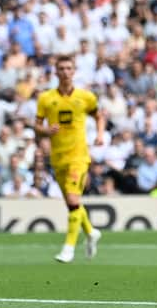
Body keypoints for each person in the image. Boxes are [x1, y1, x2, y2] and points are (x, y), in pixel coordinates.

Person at [35, 55, 105, 263]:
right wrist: (46, 130)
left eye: (69, 68)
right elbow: (36, 126)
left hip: (79, 157)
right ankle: (91, 232)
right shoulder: (46, 98)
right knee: (72, 204)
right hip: (57, 158)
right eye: (61, 68)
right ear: (56, 72)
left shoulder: (86, 97)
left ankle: (68, 248)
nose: (65, 72)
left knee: (74, 200)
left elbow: (99, 115)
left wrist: (100, 134)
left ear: (74, 72)